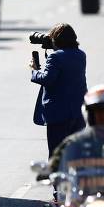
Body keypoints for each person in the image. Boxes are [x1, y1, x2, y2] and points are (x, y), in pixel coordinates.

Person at [29, 23, 87, 157]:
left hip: (59, 115)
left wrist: (34, 70)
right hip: (78, 114)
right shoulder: (81, 55)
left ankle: (56, 177)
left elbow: (47, 79)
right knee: (74, 154)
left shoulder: (55, 57)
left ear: (56, 40)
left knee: (56, 154)